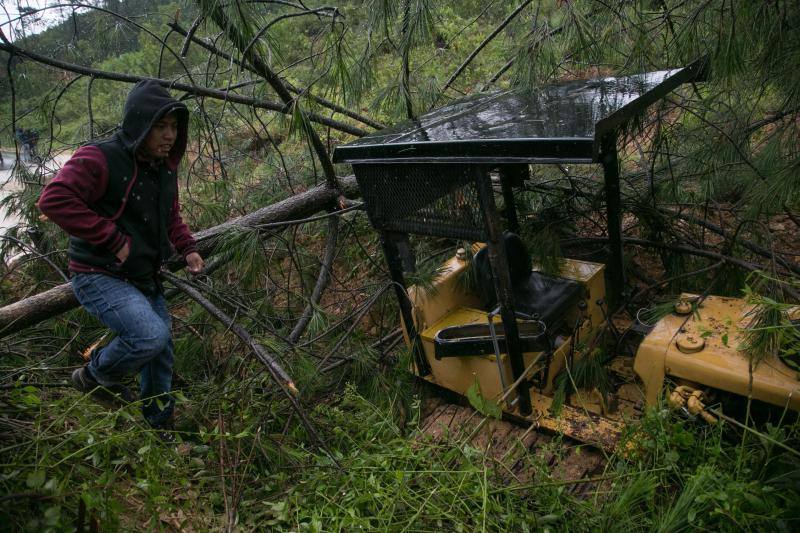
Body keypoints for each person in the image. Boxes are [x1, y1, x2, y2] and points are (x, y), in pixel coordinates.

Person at [38, 80, 204, 432]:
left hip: (143, 275)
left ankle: (160, 430)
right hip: (100, 274)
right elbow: (53, 200)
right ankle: (93, 375)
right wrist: (110, 237)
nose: (169, 135)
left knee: (160, 356)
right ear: (140, 122)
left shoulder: (163, 166)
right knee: (149, 336)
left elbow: (170, 215)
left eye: (174, 127)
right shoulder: (100, 157)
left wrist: (187, 248)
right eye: (160, 126)